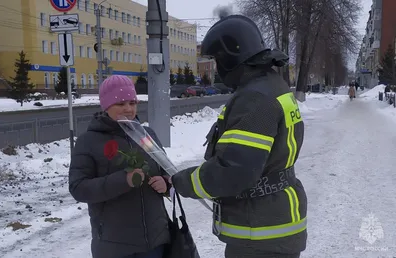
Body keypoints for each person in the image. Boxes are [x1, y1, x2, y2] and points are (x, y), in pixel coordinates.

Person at [168, 15, 307, 258]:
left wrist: (181, 182)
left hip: (260, 235)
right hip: (273, 226)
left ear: (230, 58)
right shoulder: (273, 85)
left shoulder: (254, 99)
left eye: (217, 61)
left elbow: (234, 173)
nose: (218, 70)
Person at [68, 75, 171, 258]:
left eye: (132, 103)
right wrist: (124, 180)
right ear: (106, 106)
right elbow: (79, 188)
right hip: (114, 246)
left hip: (155, 242)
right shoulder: (88, 141)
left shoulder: (147, 135)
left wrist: (165, 183)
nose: (128, 109)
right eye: (121, 103)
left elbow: (166, 171)